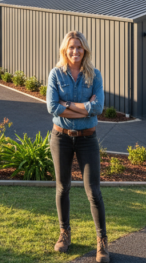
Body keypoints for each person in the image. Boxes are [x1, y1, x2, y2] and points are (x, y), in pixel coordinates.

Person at [46, 30, 108, 262]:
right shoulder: (56, 74)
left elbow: (98, 107)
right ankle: (65, 234)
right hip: (60, 137)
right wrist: (83, 106)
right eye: (71, 47)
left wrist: (69, 104)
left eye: (79, 47)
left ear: (85, 50)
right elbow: (53, 107)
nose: (75, 51)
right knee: (63, 187)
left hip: (87, 139)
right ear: (65, 49)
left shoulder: (95, 76)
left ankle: (102, 242)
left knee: (93, 191)